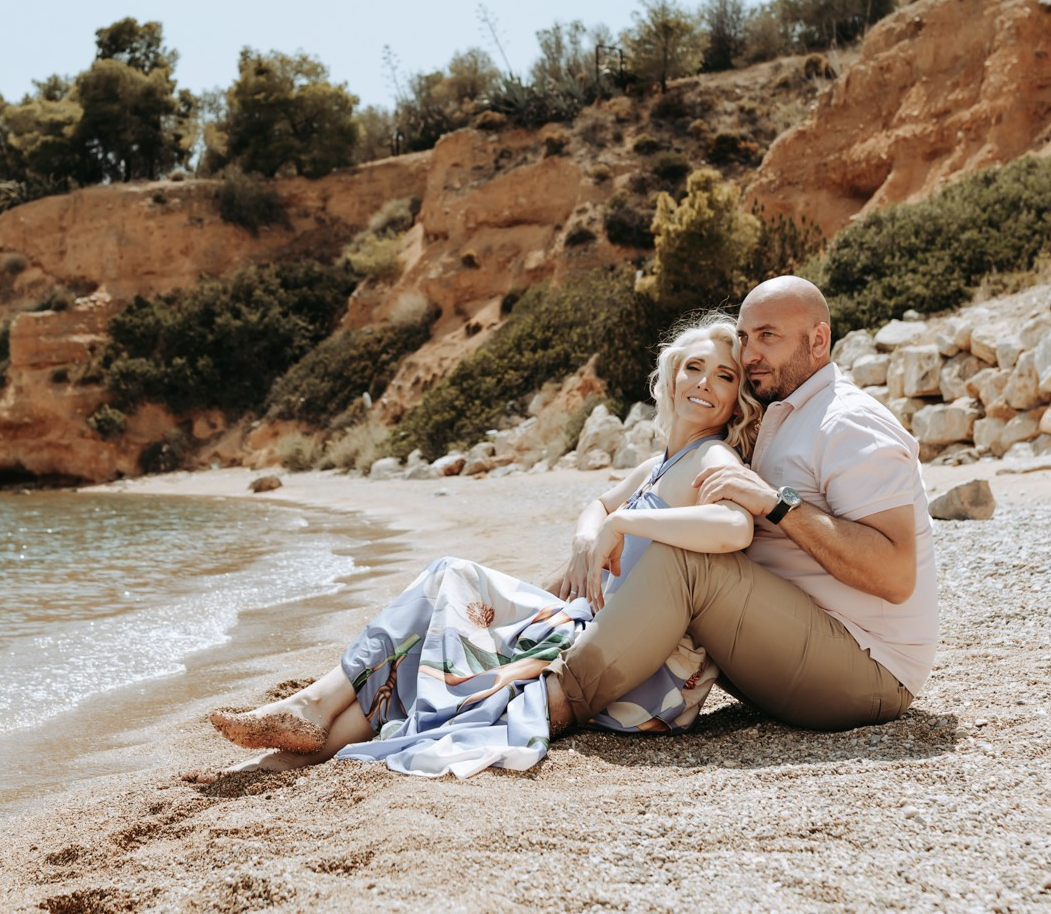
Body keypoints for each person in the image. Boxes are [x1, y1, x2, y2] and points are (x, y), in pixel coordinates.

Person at [206, 314, 761, 778]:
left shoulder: (713, 459)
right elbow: (599, 503)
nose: (705, 383)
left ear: (738, 399)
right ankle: (297, 754)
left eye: (725, 376)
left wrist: (626, 527)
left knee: (451, 582)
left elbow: (734, 527)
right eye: (694, 367)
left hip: (641, 674)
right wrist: (589, 533)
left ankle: (312, 709)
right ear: (670, 378)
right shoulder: (656, 465)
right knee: (436, 636)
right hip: (599, 634)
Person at [543, 275, 938, 737]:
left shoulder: (847, 421)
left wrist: (776, 504)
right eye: (746, 337)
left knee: (686, 560)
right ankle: (530, 656)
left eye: (767, 336)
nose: (750, 354)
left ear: (818, 340)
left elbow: (895, 575)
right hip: (790, 637)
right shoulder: (781, 416)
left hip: (869, 669)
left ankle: (553, 702)